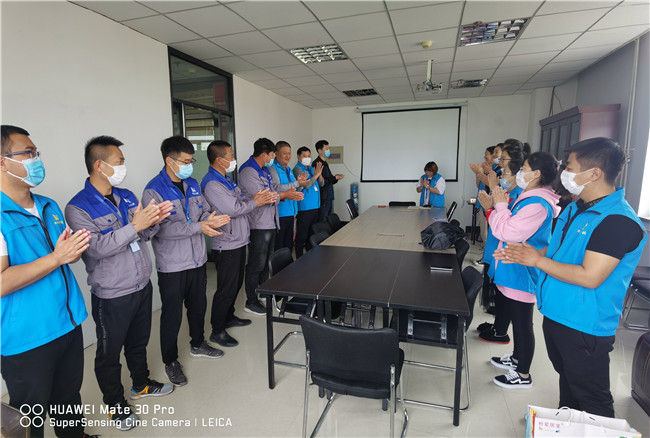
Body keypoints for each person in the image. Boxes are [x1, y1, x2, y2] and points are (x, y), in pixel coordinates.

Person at [497, 138, 646, 415]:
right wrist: (528, 253)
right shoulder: (576, 208)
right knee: (568, 383)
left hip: (584, 323)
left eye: (570, 167)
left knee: (592, 398)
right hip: (558, 313)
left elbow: (590, 276)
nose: (564, 172)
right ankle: (566, 423)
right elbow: (562, 251)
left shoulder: (617, 221)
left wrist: (537, 260)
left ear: (594, 173)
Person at [65, 136, 174, 430]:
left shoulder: (126, 196)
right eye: (119, 161)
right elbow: (96, 249)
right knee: (109, 354)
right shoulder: (78, 208)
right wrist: (135, 225)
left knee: (138, 343)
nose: (124, 166)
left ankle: (141, 383)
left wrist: (153, 221)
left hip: (141, 285)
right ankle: (115, 404)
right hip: (112, 294)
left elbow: (143, 235)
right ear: (99, 165)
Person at [0, 125, 95, 438]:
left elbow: (64, 256)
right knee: (29, 417)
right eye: (28, 153)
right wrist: (57, 257)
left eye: (36, 152)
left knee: (68, 400)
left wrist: (72, 252)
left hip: (67, 321)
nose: (36, 159)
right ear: (2, 161)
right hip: (27, 336)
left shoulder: (48, 206)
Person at [142, 136, 230, 387]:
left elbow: (203, 209)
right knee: (172, 315)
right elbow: (162, 229)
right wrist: (198, 226)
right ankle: (170, 360)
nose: (189, 165)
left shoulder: (192, 184)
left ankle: (198, 343)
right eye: (185, 161)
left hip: (198, 259)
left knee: (198, 306)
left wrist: (209, 219)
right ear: (169, 161)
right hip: (173, 264)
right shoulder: (153, 190)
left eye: (192, 161)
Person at [480, 152, 561, 389]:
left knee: (523, 324)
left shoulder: (538, 204)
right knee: (517, 320)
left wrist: (499, 206)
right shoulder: (530, 198)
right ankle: (516, 359)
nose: (519, 173)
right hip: (512, 267)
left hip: (522, 271)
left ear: (536, 174)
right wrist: (498, 208)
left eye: (524, 168)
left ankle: (523, 374)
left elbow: (507, 232)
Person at [201, 140, 275, 347]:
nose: (234, 159)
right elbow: (233, 209)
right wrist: (256, 202)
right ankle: (217, 330)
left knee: (235, 285)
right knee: (226, 288)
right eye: (231, 156)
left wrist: (251, 199)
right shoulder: (212, 183)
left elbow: (240, 198)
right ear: (219, 160)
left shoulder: (226, 179)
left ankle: (229, 316)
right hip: (226, 243)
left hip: (239, 239)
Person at [477, 142, 529, 340]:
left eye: (505, 172)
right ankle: (497, 325)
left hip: (504, 250)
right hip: (496, 245)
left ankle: (500, 330)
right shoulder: (508, 192)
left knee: (504, 294)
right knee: (497, 290)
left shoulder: (519, 195)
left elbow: (505, 225)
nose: (502, 175)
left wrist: (491, 205)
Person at [238, 138, 281, 315]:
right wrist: (280, 196)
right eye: (272, 154)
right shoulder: (249, 171)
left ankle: (263, 291)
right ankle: (251, 301)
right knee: (256, 264)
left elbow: (275, 191)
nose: (273, 158)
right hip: (258, 225)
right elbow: (264, 198)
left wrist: (277, 195)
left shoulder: (264, 170)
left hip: (270, 222)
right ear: (265, 154)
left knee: (266, 262)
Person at [268, 141, 307, 250]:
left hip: (291, 212)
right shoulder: (272, 168)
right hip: (280, 213)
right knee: (279, 246)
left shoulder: (288, 169)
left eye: (289, 153)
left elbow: (294, 189)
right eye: (284, 153)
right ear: (276, 153)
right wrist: (297, 183)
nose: (288, 156)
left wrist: (301, 184)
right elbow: (277, 189)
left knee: (288, 245)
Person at [293, 146, 324, 258]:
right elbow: (306, 185)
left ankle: (310, 258)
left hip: (315, 206)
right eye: (304, 156)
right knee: (302, 236)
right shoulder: (297, 169)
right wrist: (316, 175)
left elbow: (321, 183)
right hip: (305, 207)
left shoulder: (311, 168)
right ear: (298, 157)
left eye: (309, 155)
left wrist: (319, 173)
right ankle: (299, 258)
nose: (307, 158)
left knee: (311, 235)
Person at [313, 140, 344, 222]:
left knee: (330, 220)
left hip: (329, 196)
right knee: (323, 221)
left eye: (328, 148)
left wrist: (336, 178)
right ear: (319, 150)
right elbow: (321, 182)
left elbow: (329, 179)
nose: (328, 150)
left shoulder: (325, 163)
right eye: (326, 148)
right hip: (323, 198)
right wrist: (334, 178)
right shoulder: (317, 163)